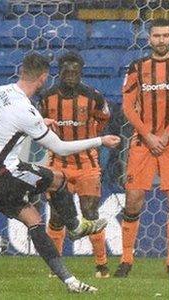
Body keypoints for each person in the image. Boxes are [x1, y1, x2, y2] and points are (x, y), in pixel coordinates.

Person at [0, 52, 120, 293]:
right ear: (43, 78)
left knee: (33, 220)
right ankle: (75, 226)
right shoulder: (24, 110)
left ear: (21, 71)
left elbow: (0, 123)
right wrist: (100, 140)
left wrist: (38, 122)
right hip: (2, 174)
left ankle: (69, 281)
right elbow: (59, 147)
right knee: (57, 178)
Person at [116, 18, 169, 279]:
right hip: (143, 143)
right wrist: (148, 135)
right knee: (134, 199)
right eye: (156, 36)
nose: (161, 40)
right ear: (149, 38)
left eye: (165, 35)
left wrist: (163, 133)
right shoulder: (136, 67)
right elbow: (127, 106)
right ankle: (126, 259)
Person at [39, 52, 112, 278]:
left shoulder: (93, 97)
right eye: (66, 71)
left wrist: (87, 139)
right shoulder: (46, 97)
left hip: (87, 164)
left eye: (75, 71)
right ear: (59, 72)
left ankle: (101, 265)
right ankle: (56, 267)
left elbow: (104, 119)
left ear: (81, 71)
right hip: (57, 164)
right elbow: (38, 123)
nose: (71, 75)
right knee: (57, 216)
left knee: (90, 213)